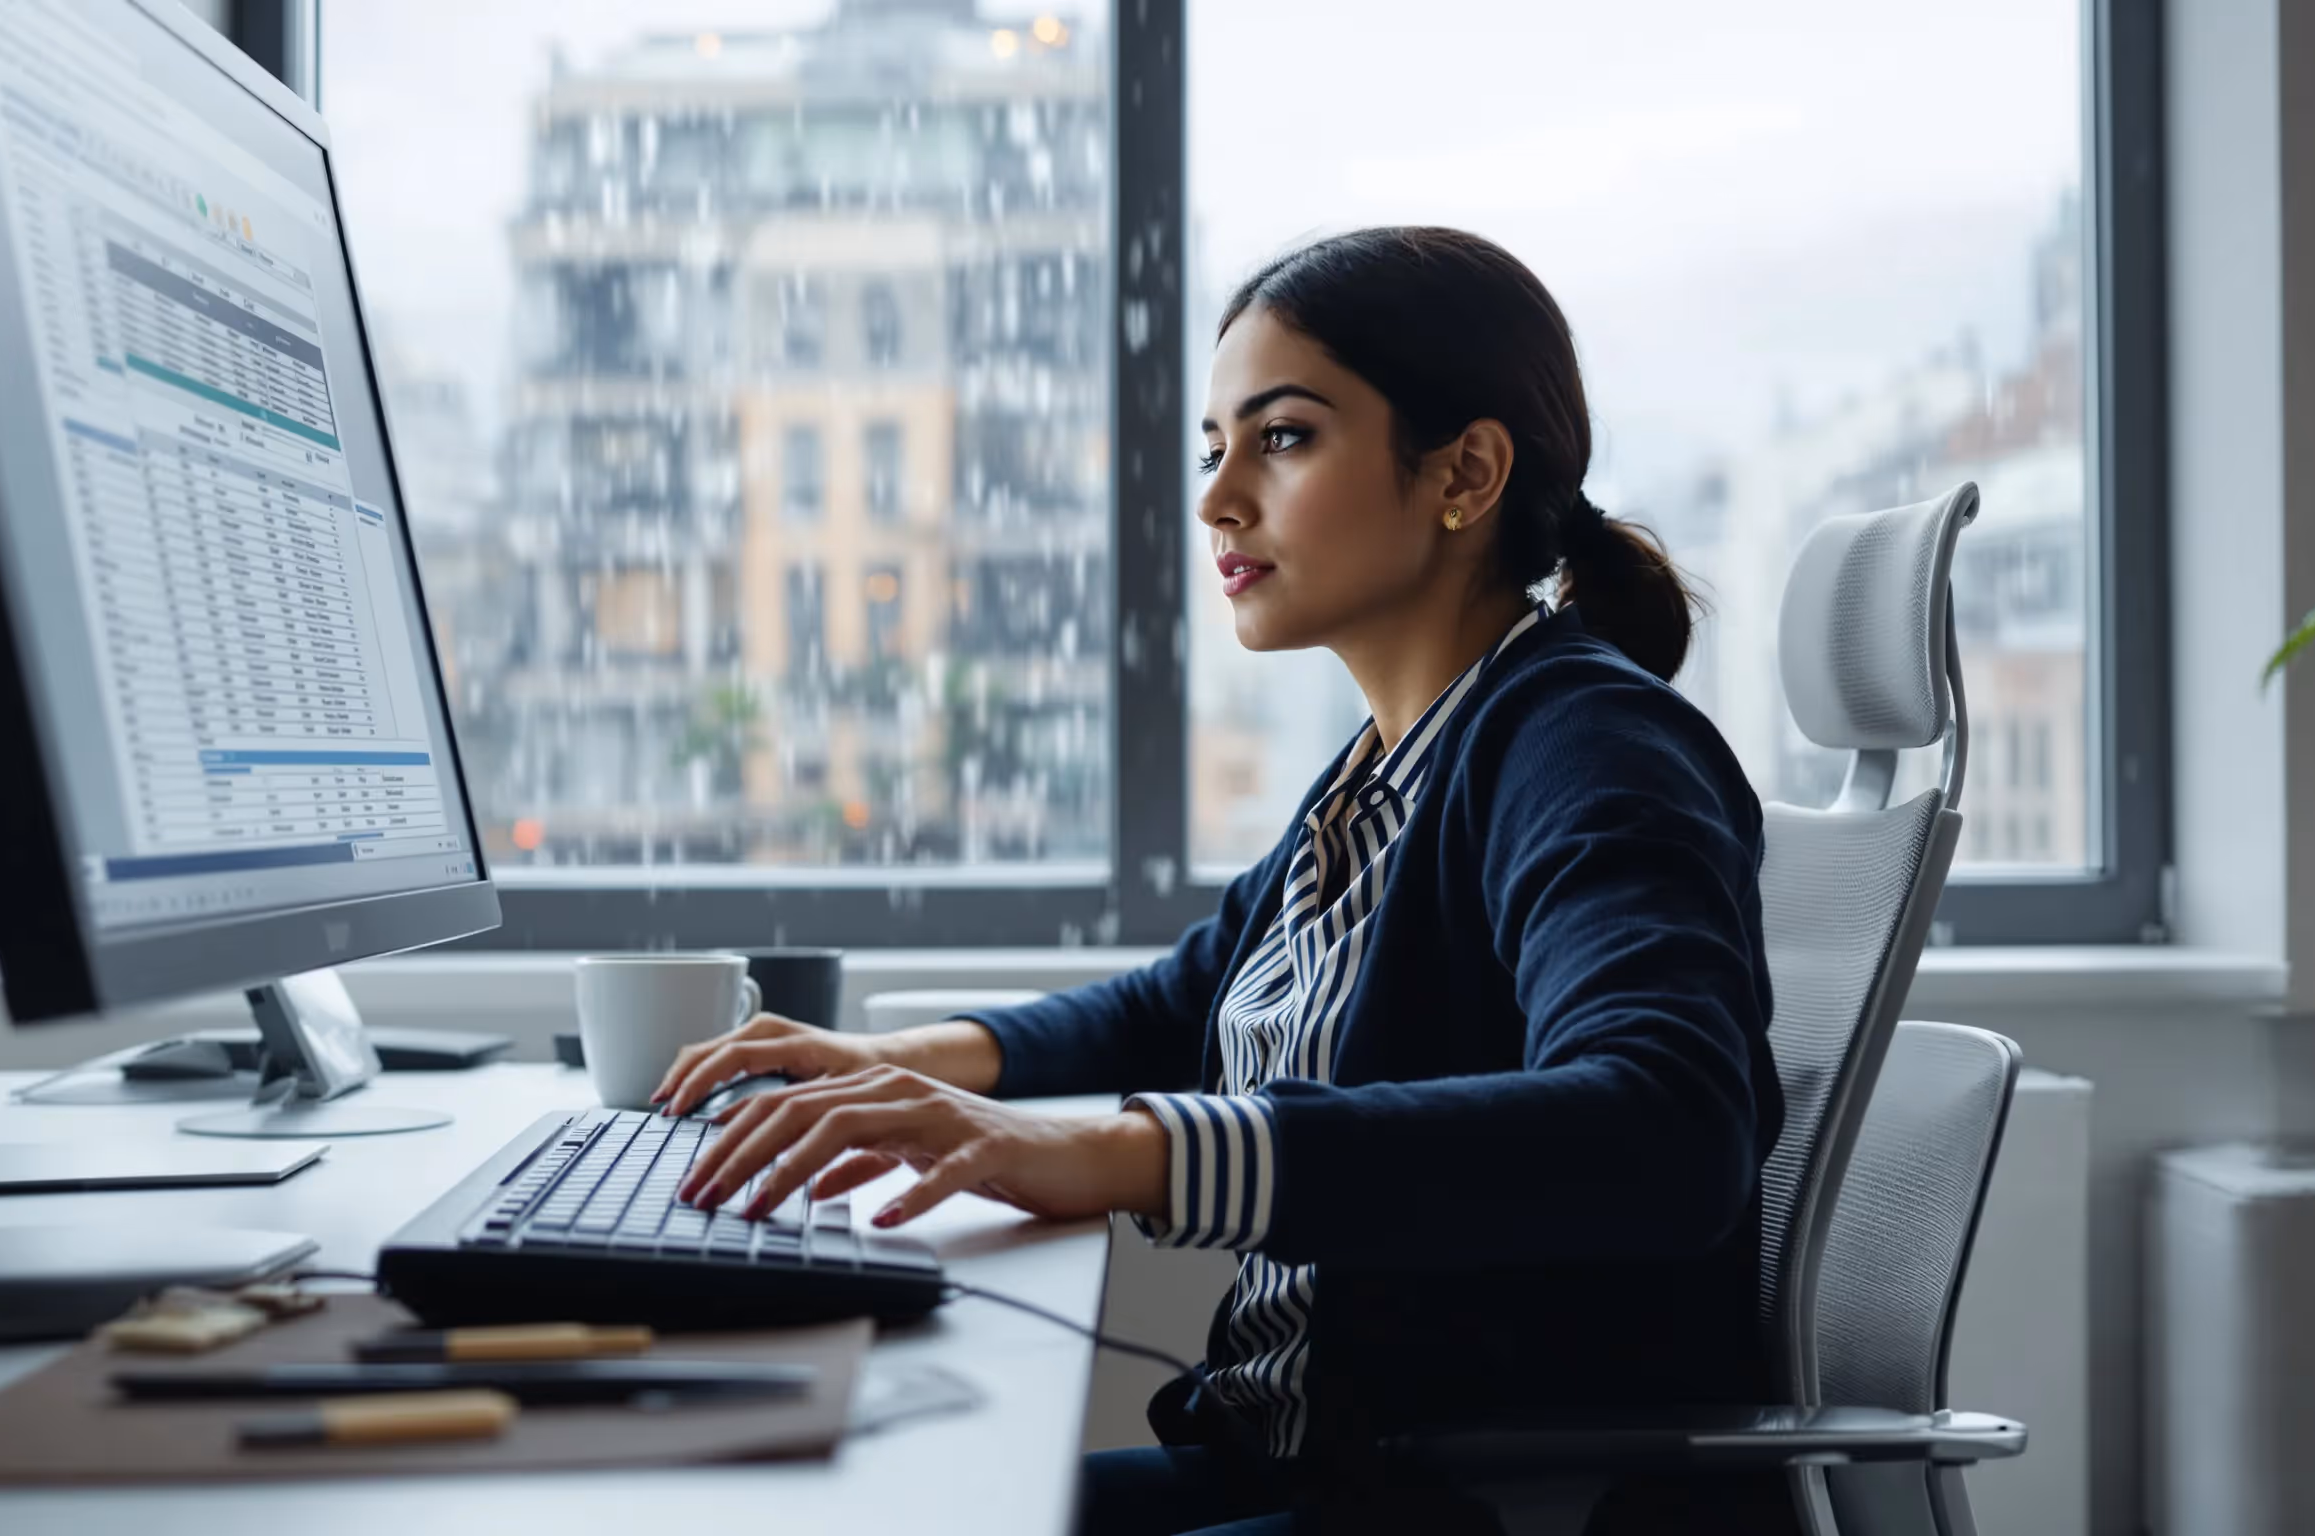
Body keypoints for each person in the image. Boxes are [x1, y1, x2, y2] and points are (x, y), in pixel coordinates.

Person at [652, 226, 1792, 1536]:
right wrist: (886, 1065)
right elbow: (1177, 1002)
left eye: (1285, 437)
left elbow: (1668, 1128)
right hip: (1305, 1470)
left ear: (1466, 471)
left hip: (1451, 1503)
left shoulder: (1584, 741)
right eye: (1213, 448)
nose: (1216, 499)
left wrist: (1111, 1154)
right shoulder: (1386, 772)